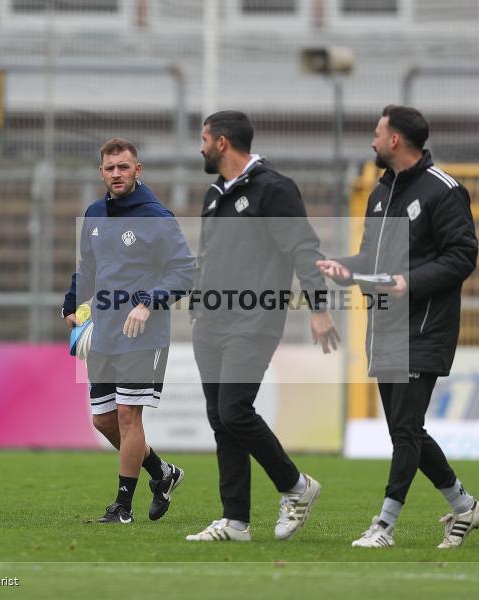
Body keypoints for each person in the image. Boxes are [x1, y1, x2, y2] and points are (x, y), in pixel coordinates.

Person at [317, 105, 479, 549]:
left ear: (395, 140)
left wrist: (410, 282)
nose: (371, 142)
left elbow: (462, 256)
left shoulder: (443, 190)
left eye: (377, 134)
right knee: (403, 429)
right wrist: (343, 268)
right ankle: (464, 506)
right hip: (386, 328)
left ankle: (384, 525)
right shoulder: (381, 192)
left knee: (406, 429)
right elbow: (373, 261)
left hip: (426, 327)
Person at [185, 110, 340, 543]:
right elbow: (208, 256)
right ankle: (235, 522)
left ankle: (296, 486)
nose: (199, 147)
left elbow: (303, 248)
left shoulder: (275, 189)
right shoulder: (215, 193)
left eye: (203, 138)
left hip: (253, 319)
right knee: (221, 420)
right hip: (210, 322)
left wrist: (319, 307)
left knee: (235, 410)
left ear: (221, 143)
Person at [62, 138, 197, 524]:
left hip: (144, 334)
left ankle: (123, 507)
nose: (117, 174)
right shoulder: (94, 215)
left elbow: (185, 271)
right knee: (102, 420)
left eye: (124, 167)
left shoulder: (156, 216)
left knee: (126, 416)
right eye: (110, 168)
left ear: (138, 170)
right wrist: (71, 305)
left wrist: (147, 303)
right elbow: (87, 268)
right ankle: (163, 472)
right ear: (101, 172)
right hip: (103, 332)